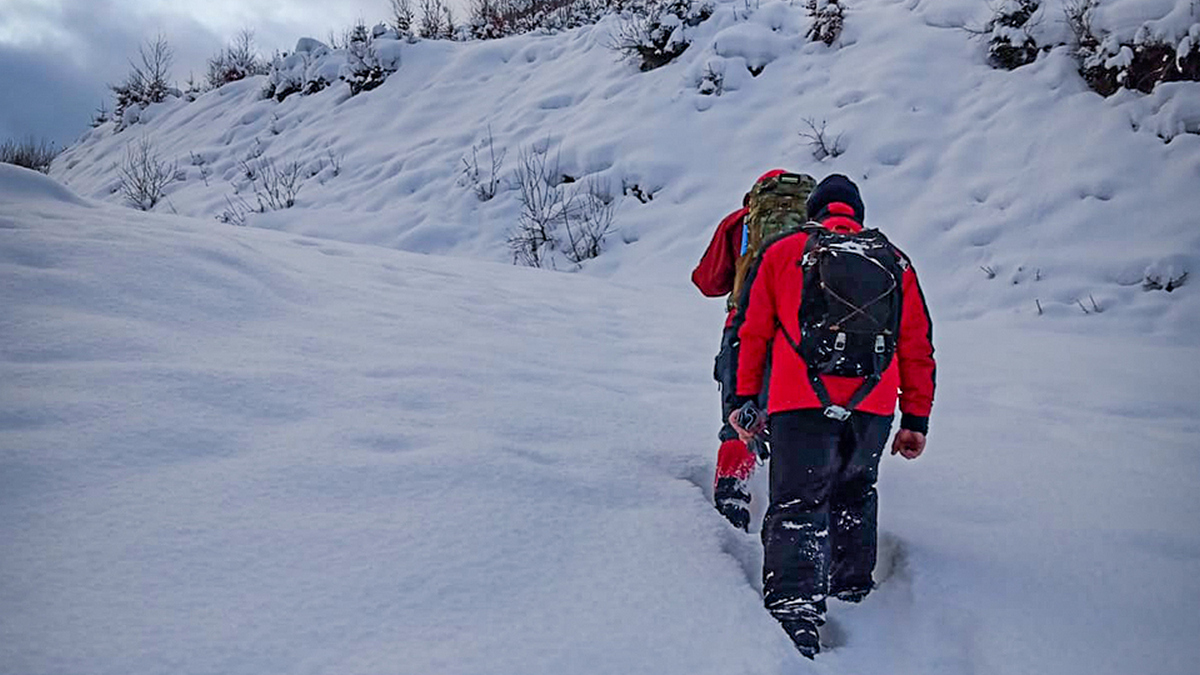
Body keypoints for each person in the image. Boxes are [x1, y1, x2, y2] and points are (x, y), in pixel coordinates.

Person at [728, 174, 936, 658]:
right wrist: (916, 419)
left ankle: (796, 608)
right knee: (855, 492)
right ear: (856, 215)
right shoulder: (895, 260)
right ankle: (853, 592)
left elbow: (753, 332)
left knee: (798, 501)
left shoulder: (783, 252)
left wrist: (743, 400)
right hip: (874, 405)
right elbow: (917, 346)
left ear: (813, 211)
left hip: (797, 401)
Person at [691, 169, 815, 531]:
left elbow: (707, 282)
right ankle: (793, 507)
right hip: (799, 337)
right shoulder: (818, 229)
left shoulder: (739, 223)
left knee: (740, 417)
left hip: (743, 330)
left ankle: (733, 496)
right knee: (799, 422)